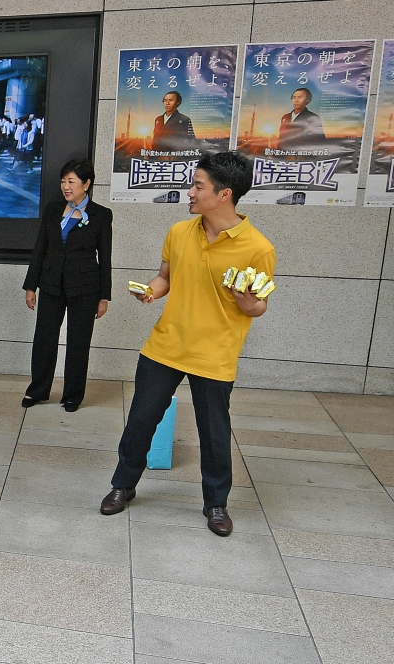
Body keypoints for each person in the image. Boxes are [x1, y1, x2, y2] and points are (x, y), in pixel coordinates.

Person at [99, 151, 276, 538]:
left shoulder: (257, 247)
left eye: (198, 186)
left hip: (215, 352)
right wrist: (151, 291)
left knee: (213, 433)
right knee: (141, 420)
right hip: (165, 345)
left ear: (225, 194)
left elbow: (257, 304)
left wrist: (249, 302)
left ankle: (216, 503)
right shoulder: (179, 232)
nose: (190, 191)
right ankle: (123, 484)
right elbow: (166, 276)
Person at [22, 159, 112, 412]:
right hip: (51, 284)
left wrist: (104, 296)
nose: (65, 186)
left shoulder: (101, 215)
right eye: (63, 181)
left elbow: (105, 257)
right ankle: (37, 391)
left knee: (78, 342)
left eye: (71, 181)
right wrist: (31, 286)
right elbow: (40, 249)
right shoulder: (52, 210)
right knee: (44, 339)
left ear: (87, 184)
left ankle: (73, 396)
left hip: (84, 287)